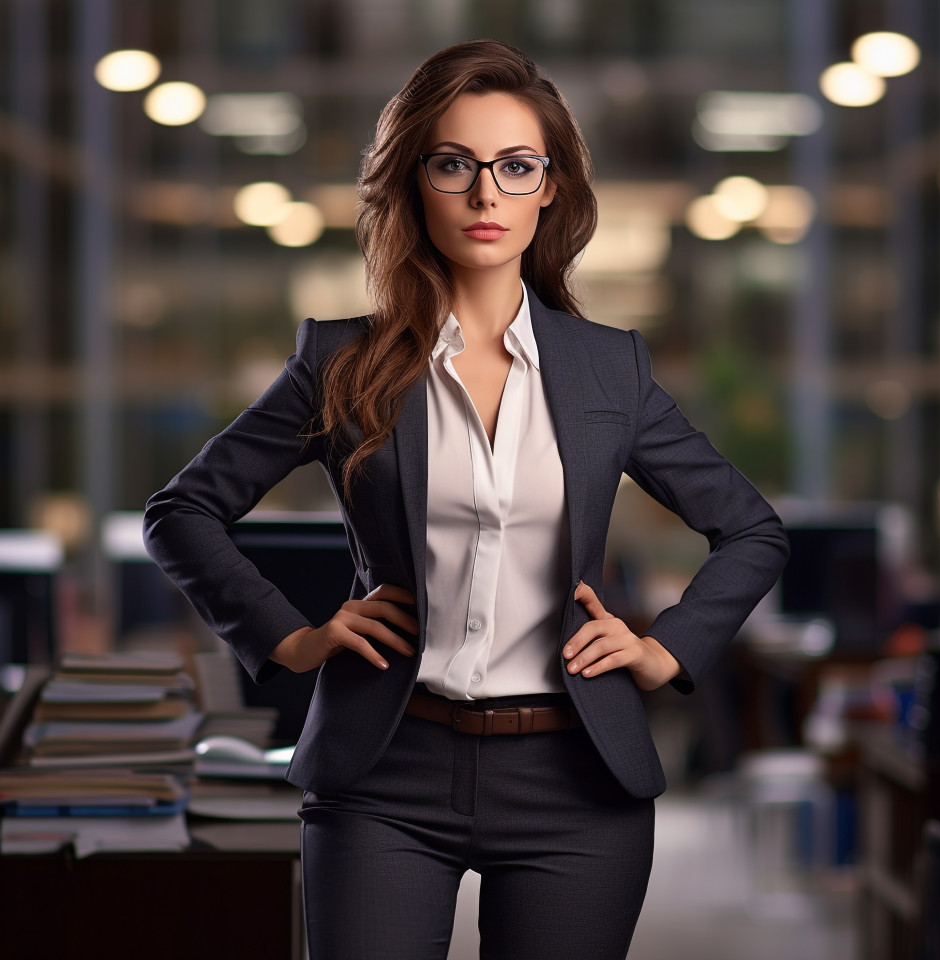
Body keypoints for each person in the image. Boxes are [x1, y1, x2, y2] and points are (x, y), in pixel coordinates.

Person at [143, 39, 790, 960]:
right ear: (413, 182)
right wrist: (289, 636)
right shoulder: (341, 362)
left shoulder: (611, 370)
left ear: (550, 188)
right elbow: (182, 513)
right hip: (384, 769)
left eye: (516, 166)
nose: (486, 195)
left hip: (576, 777)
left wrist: (665, 649)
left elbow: (752, 530)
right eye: (454, 165)